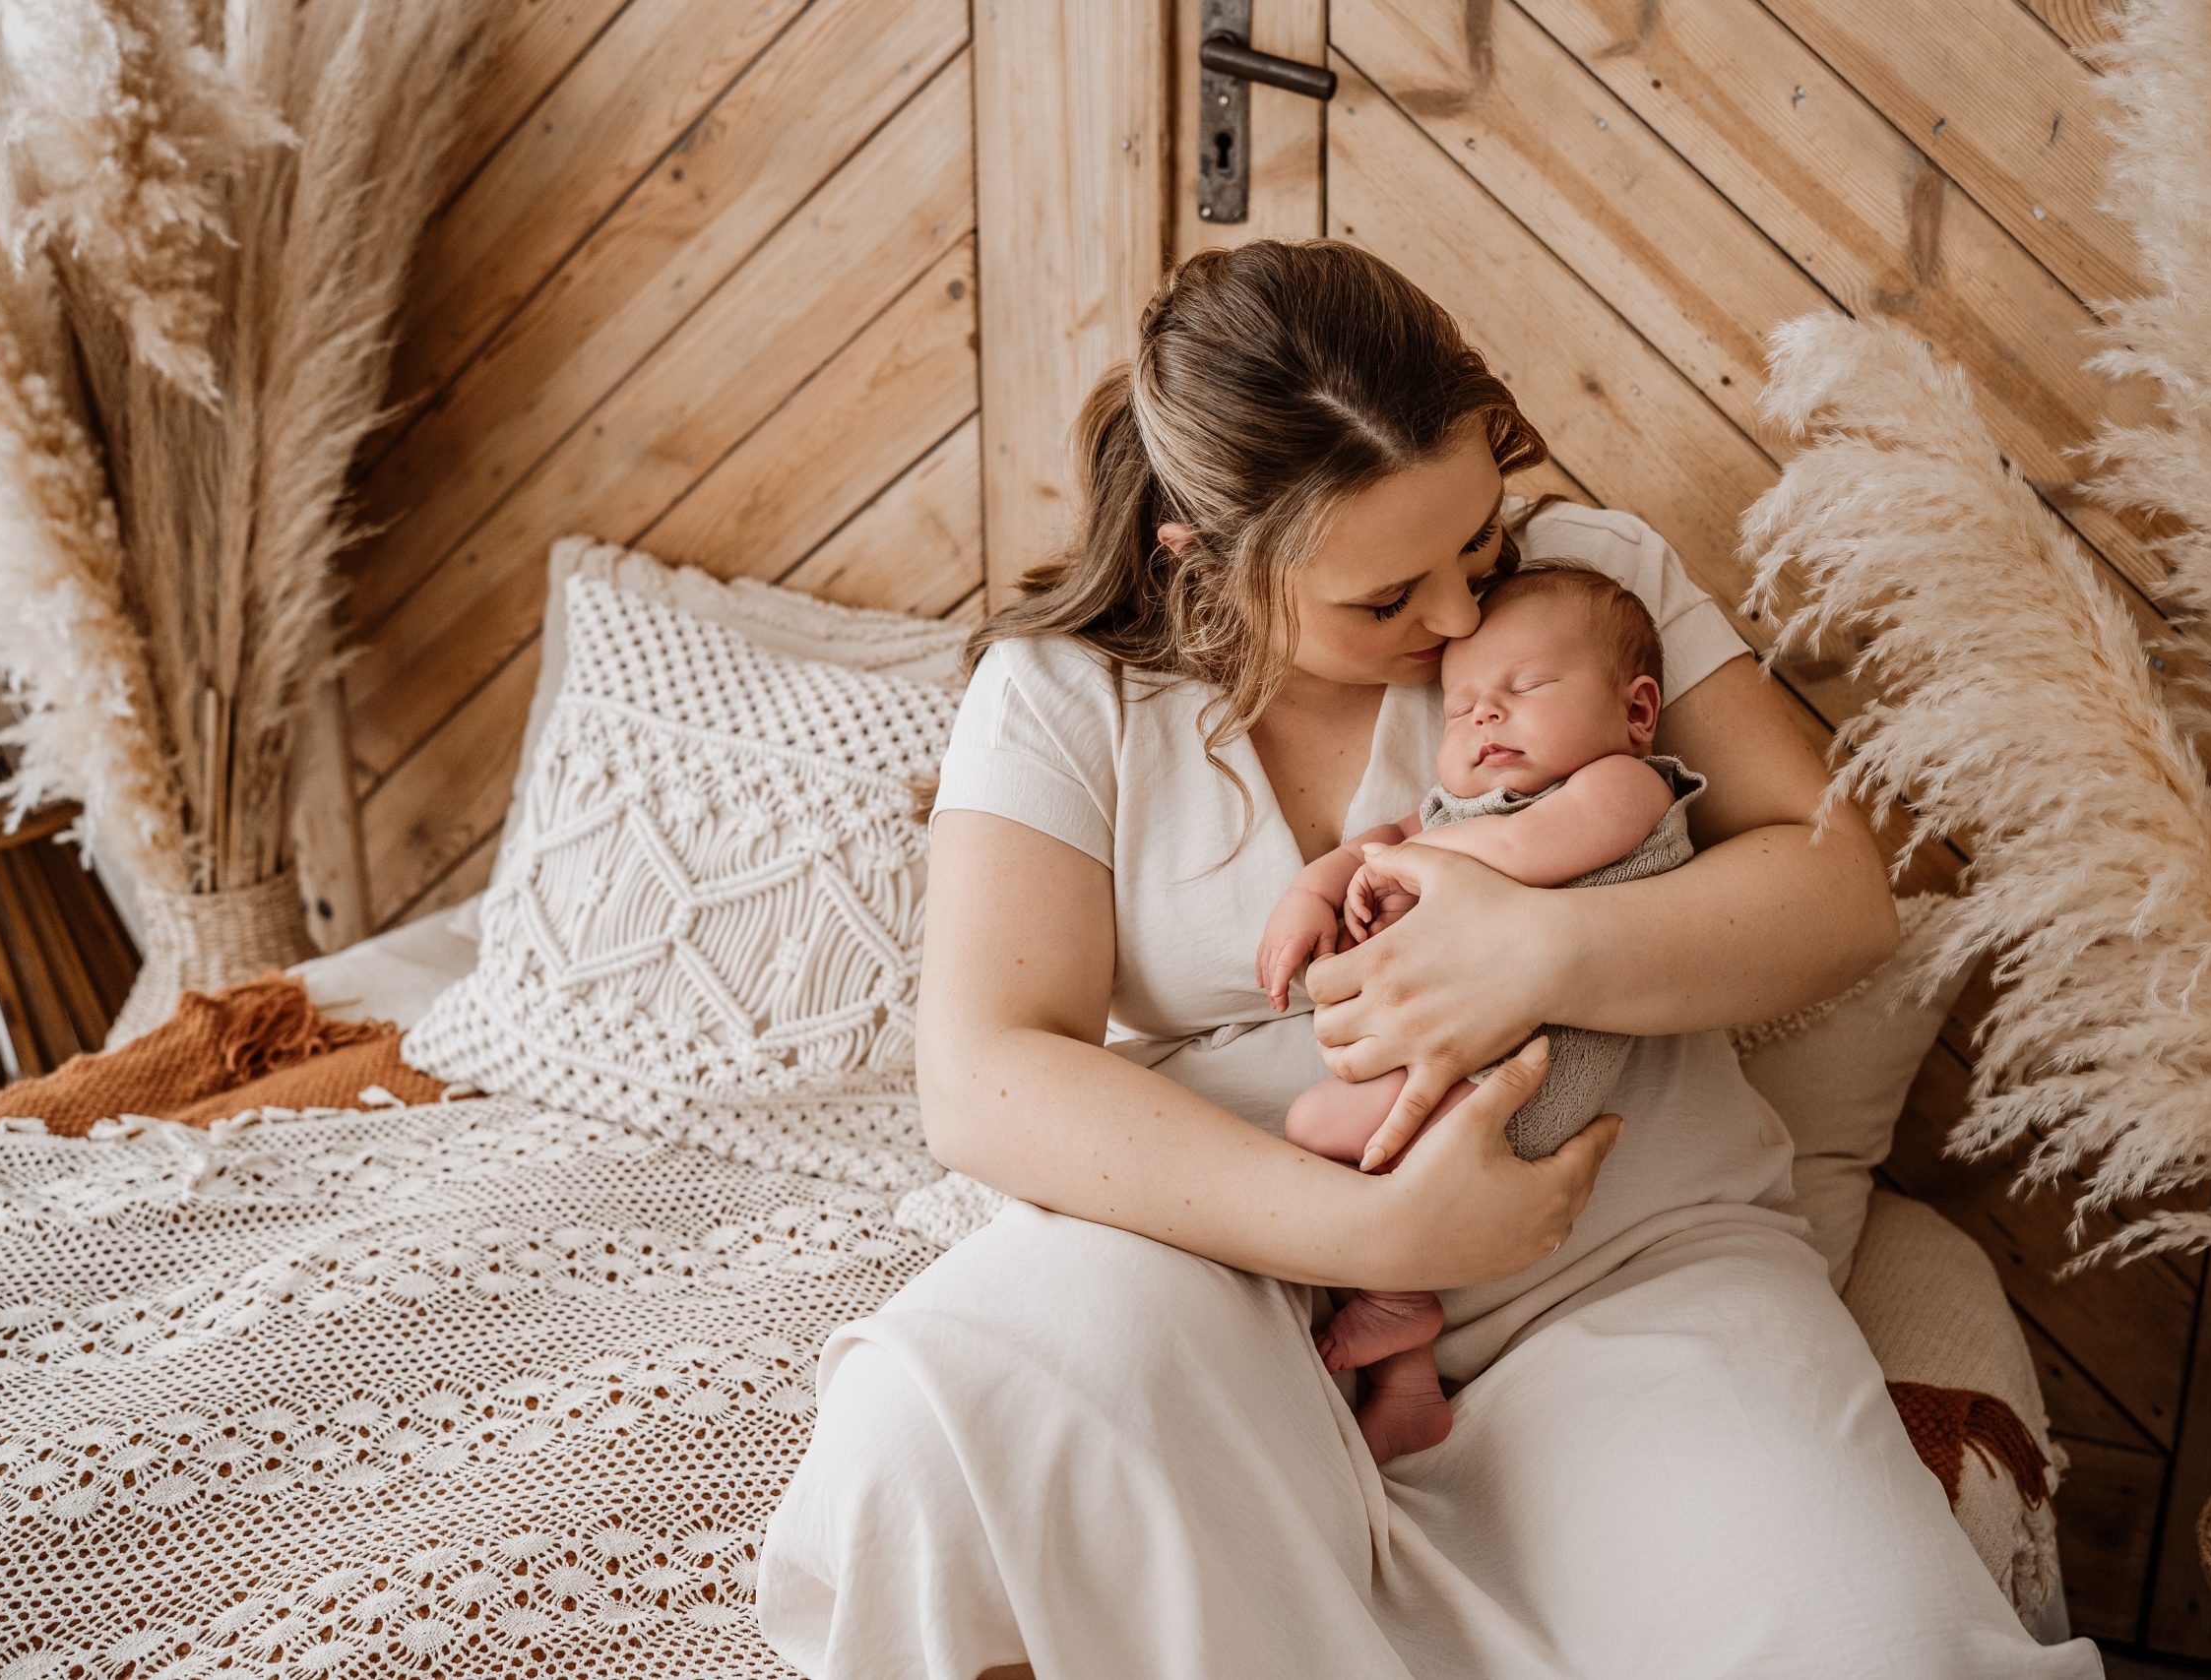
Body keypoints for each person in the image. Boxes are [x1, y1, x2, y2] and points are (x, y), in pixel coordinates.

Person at [757, 238, 2101, 1679]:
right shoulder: (1067, 696)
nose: (1459, 619)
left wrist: (1541, 945)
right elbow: (986, 1077)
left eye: (1474, 543)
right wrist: (1388, 1239)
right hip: (1234, 1270)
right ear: (1202, 561)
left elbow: (1842, 889)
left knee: (1873, 1646)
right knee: (931, 1430)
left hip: (1624, 1271)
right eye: (1387, 598)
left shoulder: (1594, 585)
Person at [1261, 564, 1707, 1464]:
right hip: (1460, 1059)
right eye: (1458, 708)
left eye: (1524, 687)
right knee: (1343, 1143)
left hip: (1528, 1078)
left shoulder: (1625, 786)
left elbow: (1522, 849)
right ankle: (1410, 1381)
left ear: (1637, 707)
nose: (1484, 716)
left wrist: (1402, 862)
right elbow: (1398, 839)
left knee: (1319, 1123)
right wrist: (1323, 885)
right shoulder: (1450, 816)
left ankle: (1395, 1300)